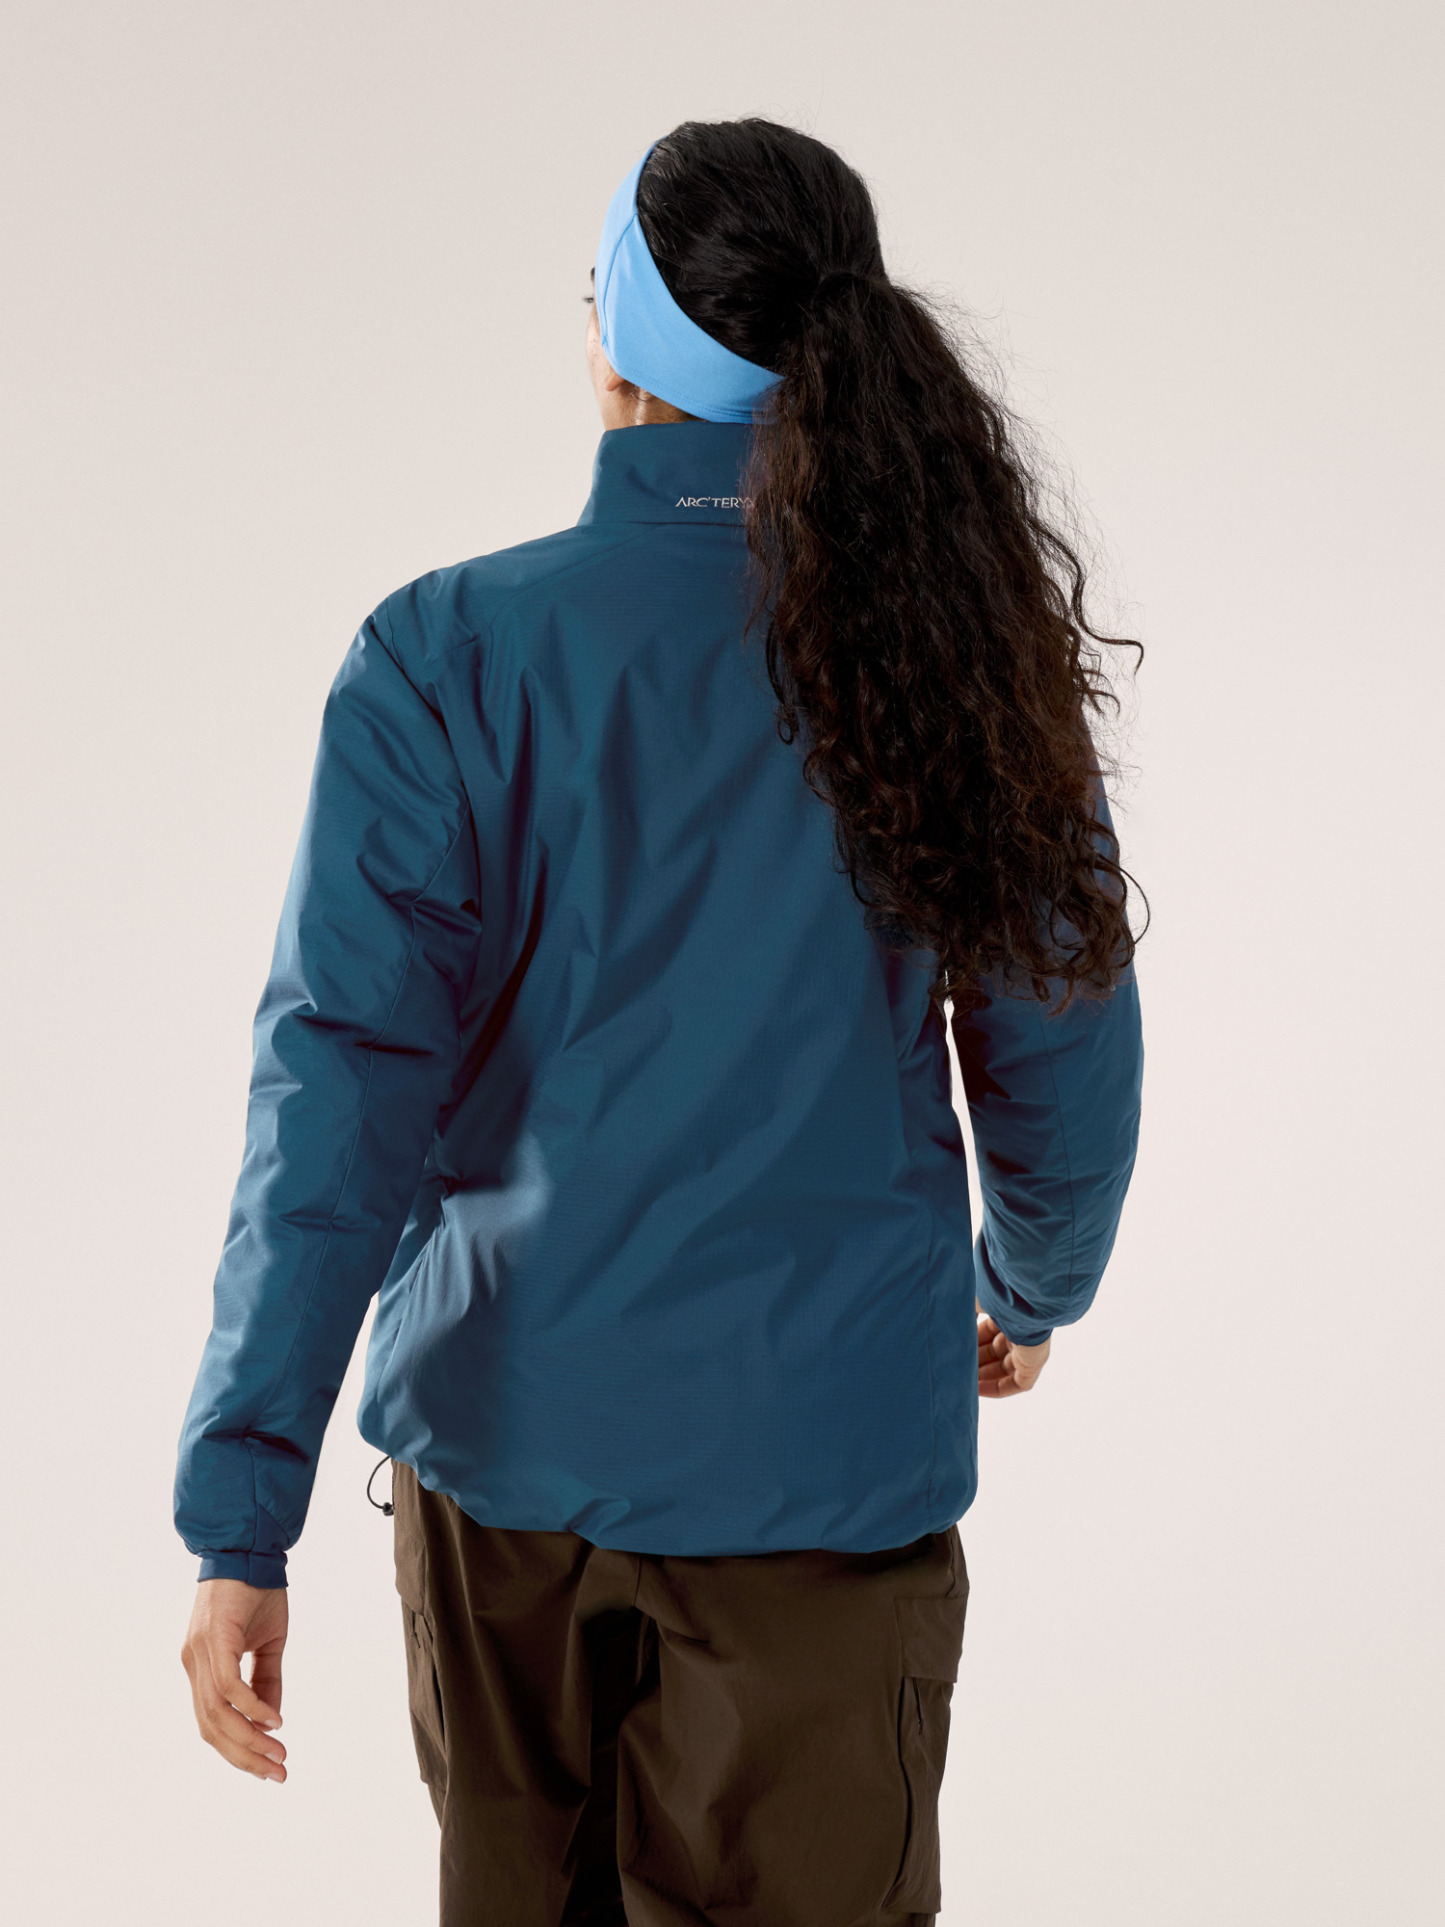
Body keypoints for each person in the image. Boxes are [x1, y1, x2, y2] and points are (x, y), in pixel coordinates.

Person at [175, 118, 1144, 1926]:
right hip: (824, 1476)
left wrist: (244, 1511)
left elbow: (336, 1098)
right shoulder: (956, 653)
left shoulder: (445, 654)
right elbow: (1062, 1034)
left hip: (504, 1465)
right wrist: (1030, 1288)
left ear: (613, 340)